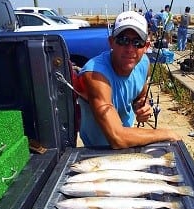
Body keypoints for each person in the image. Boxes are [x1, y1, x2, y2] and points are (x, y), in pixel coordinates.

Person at [76, 11, 179, 149]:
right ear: (111, 42)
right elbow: (117, 138)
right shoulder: (95, 75)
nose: (130, 49)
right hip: (99, 150)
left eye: (138, 42)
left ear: (146, 47)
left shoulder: (143, 63)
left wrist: (143, 105)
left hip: (130, 142)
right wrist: (166, 133)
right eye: (123, 40)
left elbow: (140, 95)